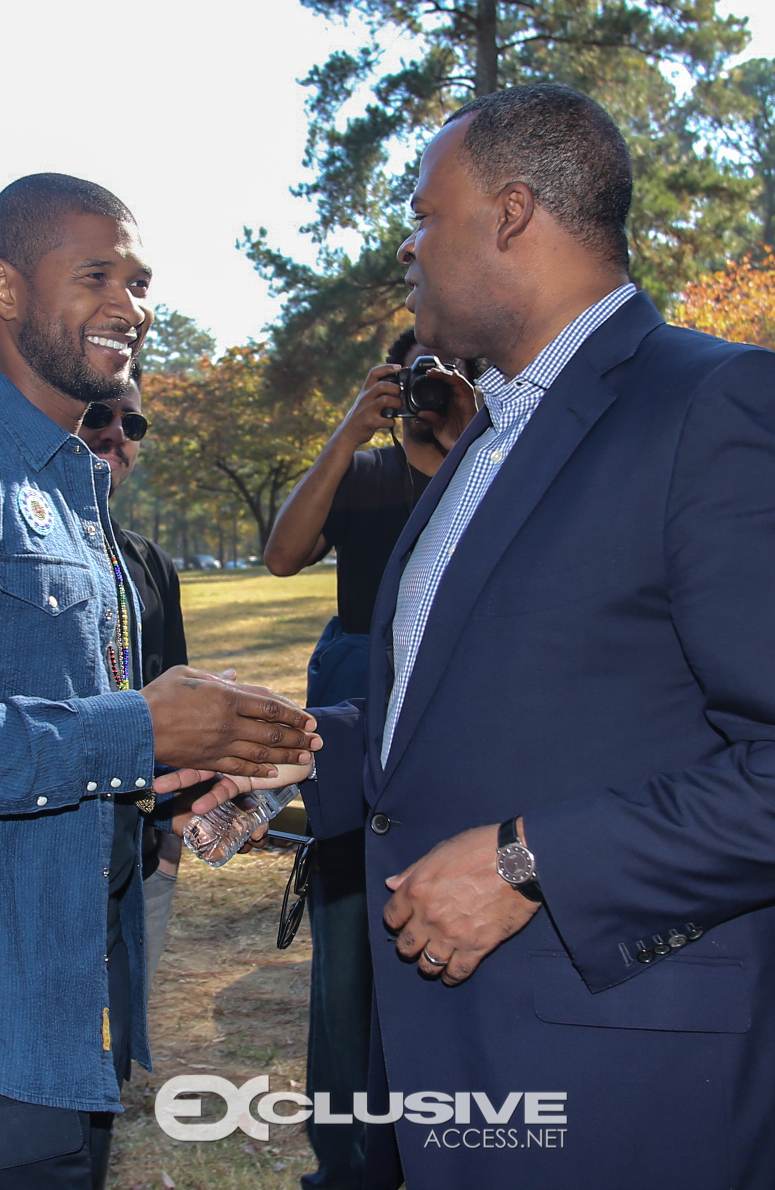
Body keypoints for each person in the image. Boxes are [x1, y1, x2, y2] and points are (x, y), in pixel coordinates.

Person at [182, 83, 775, 1190]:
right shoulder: (486, 437)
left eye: (427, 214)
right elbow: (472, 706)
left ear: (513, 214)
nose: (407, 244)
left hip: (625, 1080)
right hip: (453, 1064)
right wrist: (280, 760)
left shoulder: (724, 406)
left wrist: (534, 862)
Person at [0, 173, 319, 1190]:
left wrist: (184, 761)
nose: (131, 305)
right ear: (3, 285)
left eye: (139, 280)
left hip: (58, 994)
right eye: (97, 275)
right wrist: (138, 727)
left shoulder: (63, 482)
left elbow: (46, 715)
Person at [264, 332, 477, 1190]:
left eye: (450, 367)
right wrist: (351, 431)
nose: (432, 384)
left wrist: (474, 423)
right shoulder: (368, 474)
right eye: (417, 367)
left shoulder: (496, 466)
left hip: (461, 726)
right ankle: (344, 1168)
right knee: (348, 960)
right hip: (363, 724)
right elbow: (282, 555)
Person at [75, 359, 187, 995]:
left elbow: (175, 711)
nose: (117, 434)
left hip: (138, 850)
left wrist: (167, 839)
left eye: (133, 422)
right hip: (49, 843)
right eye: (99, 416)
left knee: (114, 1042)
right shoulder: (5, 541)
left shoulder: (148, 562)